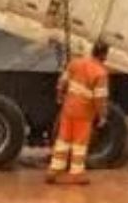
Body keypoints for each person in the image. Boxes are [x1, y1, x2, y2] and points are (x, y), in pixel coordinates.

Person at [47, 41, 110, 185]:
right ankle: (77, 174)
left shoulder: (76, 63)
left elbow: (62, 81)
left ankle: (54, 170)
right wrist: (102, 116)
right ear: (104, 55)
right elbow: (100, 98)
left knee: (63, 141)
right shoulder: (100, 73)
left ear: (93, 51)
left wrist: (59, 95)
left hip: (68, 110)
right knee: (79, 144)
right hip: (84, 114)